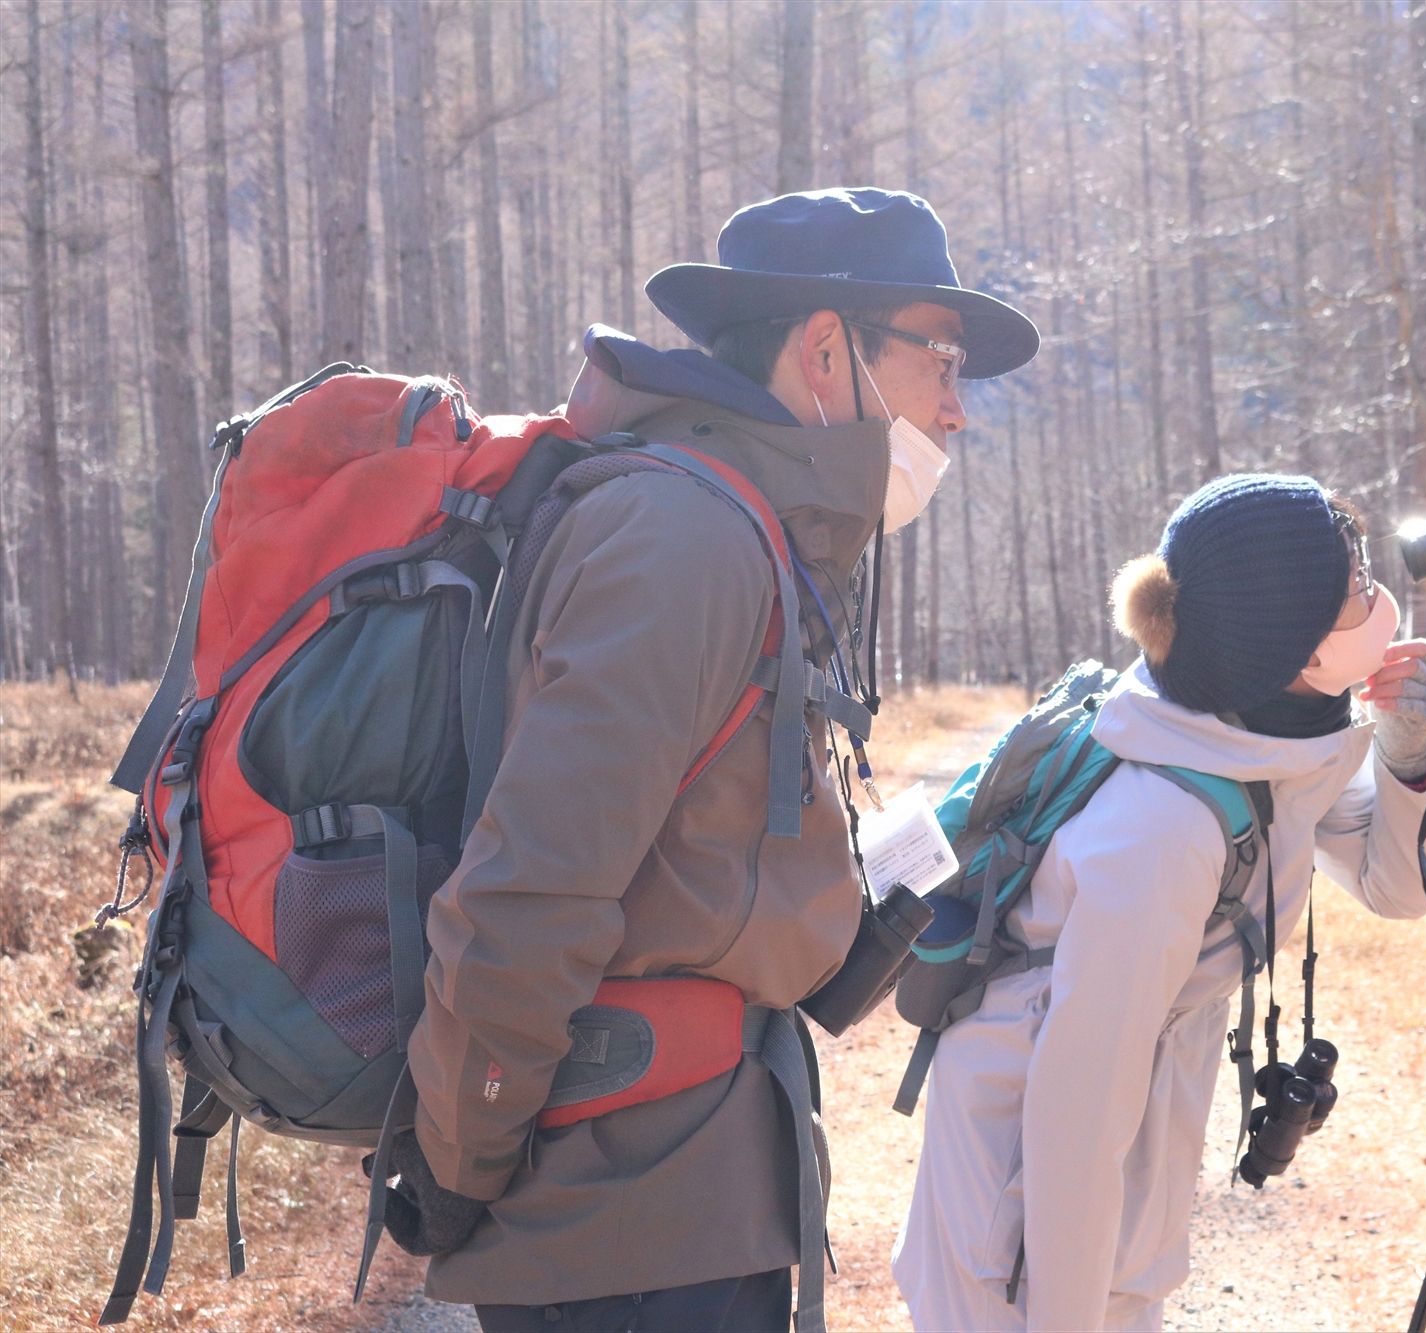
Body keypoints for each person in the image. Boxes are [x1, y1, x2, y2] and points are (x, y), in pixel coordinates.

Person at [390, 188, 1038, 1332]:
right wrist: (460, 1153)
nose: (957, 408)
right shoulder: (681, 540)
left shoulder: (744, 530)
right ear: (827, 349)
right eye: (939, 359)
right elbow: (535, 880)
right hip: (622, 1230)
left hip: (685, 1198)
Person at [893, 473, 1426, 1331]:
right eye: (1354, 586)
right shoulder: (1164, 828)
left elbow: (1400, 885)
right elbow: (1075, 1121)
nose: (1378, 595)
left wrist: (1409, 752)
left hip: (1101, 1217)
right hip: (1017, 1235)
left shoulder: (1259, 733)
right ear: (1301, 649)